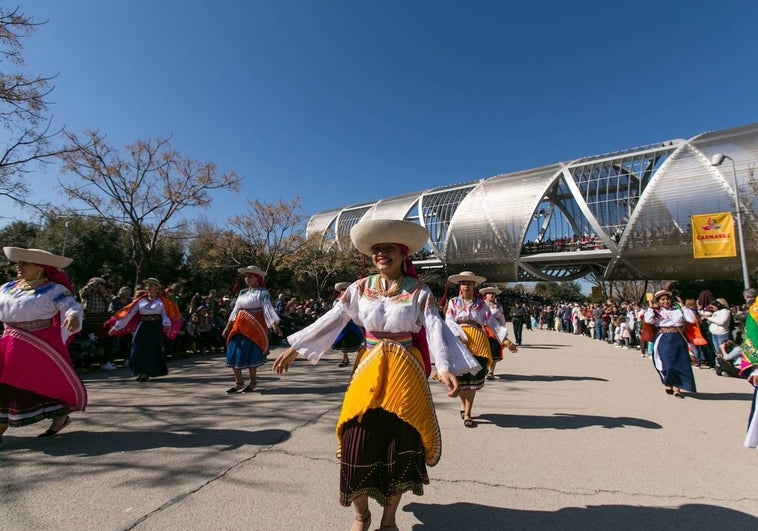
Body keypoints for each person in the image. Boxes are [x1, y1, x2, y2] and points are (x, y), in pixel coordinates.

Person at [272, 219, 480, 531]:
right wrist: (297, 347)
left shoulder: (419, 291)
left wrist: (445, 367)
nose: (381, 253)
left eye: (388, 248)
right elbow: (336, 317)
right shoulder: (359, 288)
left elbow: (434, 327)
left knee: (401, 442)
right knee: (355, 438)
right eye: (376, 249)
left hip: (404, 368)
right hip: (368, 366)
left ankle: (388, 520)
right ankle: (361, 515)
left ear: (402, 253)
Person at [0, 247, 87, 446]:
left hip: (36, 344)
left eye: (24, 263)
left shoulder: (53, 289)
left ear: (40, 267)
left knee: (12, 383)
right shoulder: (7, 287)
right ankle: (60, 415)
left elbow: (71, 305)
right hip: (8, 341)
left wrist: (73, 316)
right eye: (18, 263)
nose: (18, 267)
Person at [445, 271, 509, 427]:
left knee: (473, 380)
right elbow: (449, 321)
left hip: (478, 342)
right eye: (463, 283)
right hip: (458, 340)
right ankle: (463, 403)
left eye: (469, 283)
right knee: (459, 380)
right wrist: (460, 338)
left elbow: (491, 322)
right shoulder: (453, 302)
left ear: (474, 285)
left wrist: (505, 339)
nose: (465, 286)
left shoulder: (481, 305)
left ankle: (468, 413)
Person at [221, 265, 281, 394]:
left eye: (250, 276)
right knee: (234, 350)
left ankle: (253, 382)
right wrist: (228, 326)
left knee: (250, 353)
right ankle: (239, 382)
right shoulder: (242, 293)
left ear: (257, 278)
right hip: (239, 325)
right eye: (246, 276)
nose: (247, 278)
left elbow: (267, 309)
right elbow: (235, 310)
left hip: (254, 326)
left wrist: (274, 324)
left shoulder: (262, 293)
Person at [107, 278, 182, 382]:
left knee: (152, 350)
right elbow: (128, 315)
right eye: (147, 286)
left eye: (151, 285)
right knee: (136, 349)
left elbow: (166, 315)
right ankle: (140, 371)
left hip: (156, 327)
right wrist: (116, 327)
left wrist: (166, 325)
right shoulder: (140, 301)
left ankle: (148, 372)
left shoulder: (163, 301)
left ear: (157, 288)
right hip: (143, 326)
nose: (148, 287)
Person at [644, 290, 697, 398]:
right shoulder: (656, 312)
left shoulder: (678, 310)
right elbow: (648, 320)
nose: (666, 301)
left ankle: (677, 388)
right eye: (662, 300)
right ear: (658, 301)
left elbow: (691, 320)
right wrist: (651, 307)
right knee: (667, 365)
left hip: (678, 338)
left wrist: (683, 307)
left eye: (667, 299)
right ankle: (668, 382)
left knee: (680, 364)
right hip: (663, 339)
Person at [479, 286, 517, 380]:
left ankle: (491, 372)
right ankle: (484, 369)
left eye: (493, 293)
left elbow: (502, 319)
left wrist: (502, 331)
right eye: (489, 293)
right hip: (484, 330)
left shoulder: (499, 306)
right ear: (485, 295)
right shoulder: (480, 305)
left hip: (495, 330)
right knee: (483, 351)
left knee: (494, 351)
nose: (491, 295)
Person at [331, 281, 364, 368]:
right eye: (342, 290)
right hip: (341, 323)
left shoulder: (352, 300)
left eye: (345, 290)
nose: (343, 292)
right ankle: (344, 359)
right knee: (343, 341)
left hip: (351, 323)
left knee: (354, 340)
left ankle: (360, 357)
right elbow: (334, 311)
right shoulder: (337, 301)